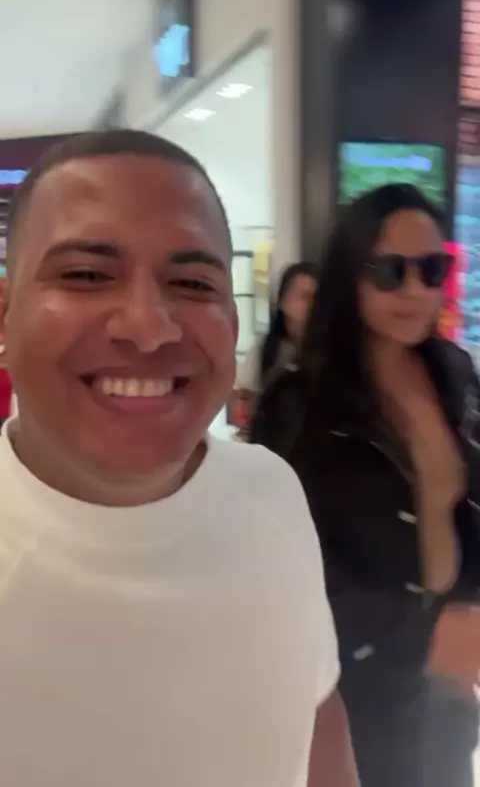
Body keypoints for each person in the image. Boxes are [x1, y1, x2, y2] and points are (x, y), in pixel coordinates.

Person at [0, 130, 358, 787]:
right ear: (4, 315)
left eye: (192, 283)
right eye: (86, 275)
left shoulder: (270, 492)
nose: (147, 325)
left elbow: (315, 711)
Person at [250, 184, 480, 787]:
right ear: (352, 275)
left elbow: (467, 506)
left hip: (448, 669)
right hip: (356, 680)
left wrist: (464, 606)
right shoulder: (300, 402)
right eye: (391, 271)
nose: (415, 291)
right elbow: (284, 556)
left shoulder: (452, 373)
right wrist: (404, 637)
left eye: (432, 270)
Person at [233, 262, 317, 436]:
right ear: (283, 301)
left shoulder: (335, 354)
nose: (311, 307)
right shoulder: (264, 351)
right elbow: (243, 407)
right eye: (304, 297)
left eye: (317, 299)